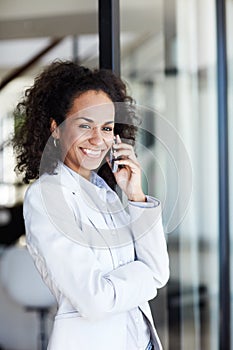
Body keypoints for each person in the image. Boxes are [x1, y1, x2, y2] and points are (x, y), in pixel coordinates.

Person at [12, 60, 169, 350]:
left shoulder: (105, 193)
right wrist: (144, 276)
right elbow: (95, 301)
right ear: (56, 128)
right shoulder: (47, 197)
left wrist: (135, 194)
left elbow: (159, 268)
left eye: (107, 127)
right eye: (85, 125)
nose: (98, 139)